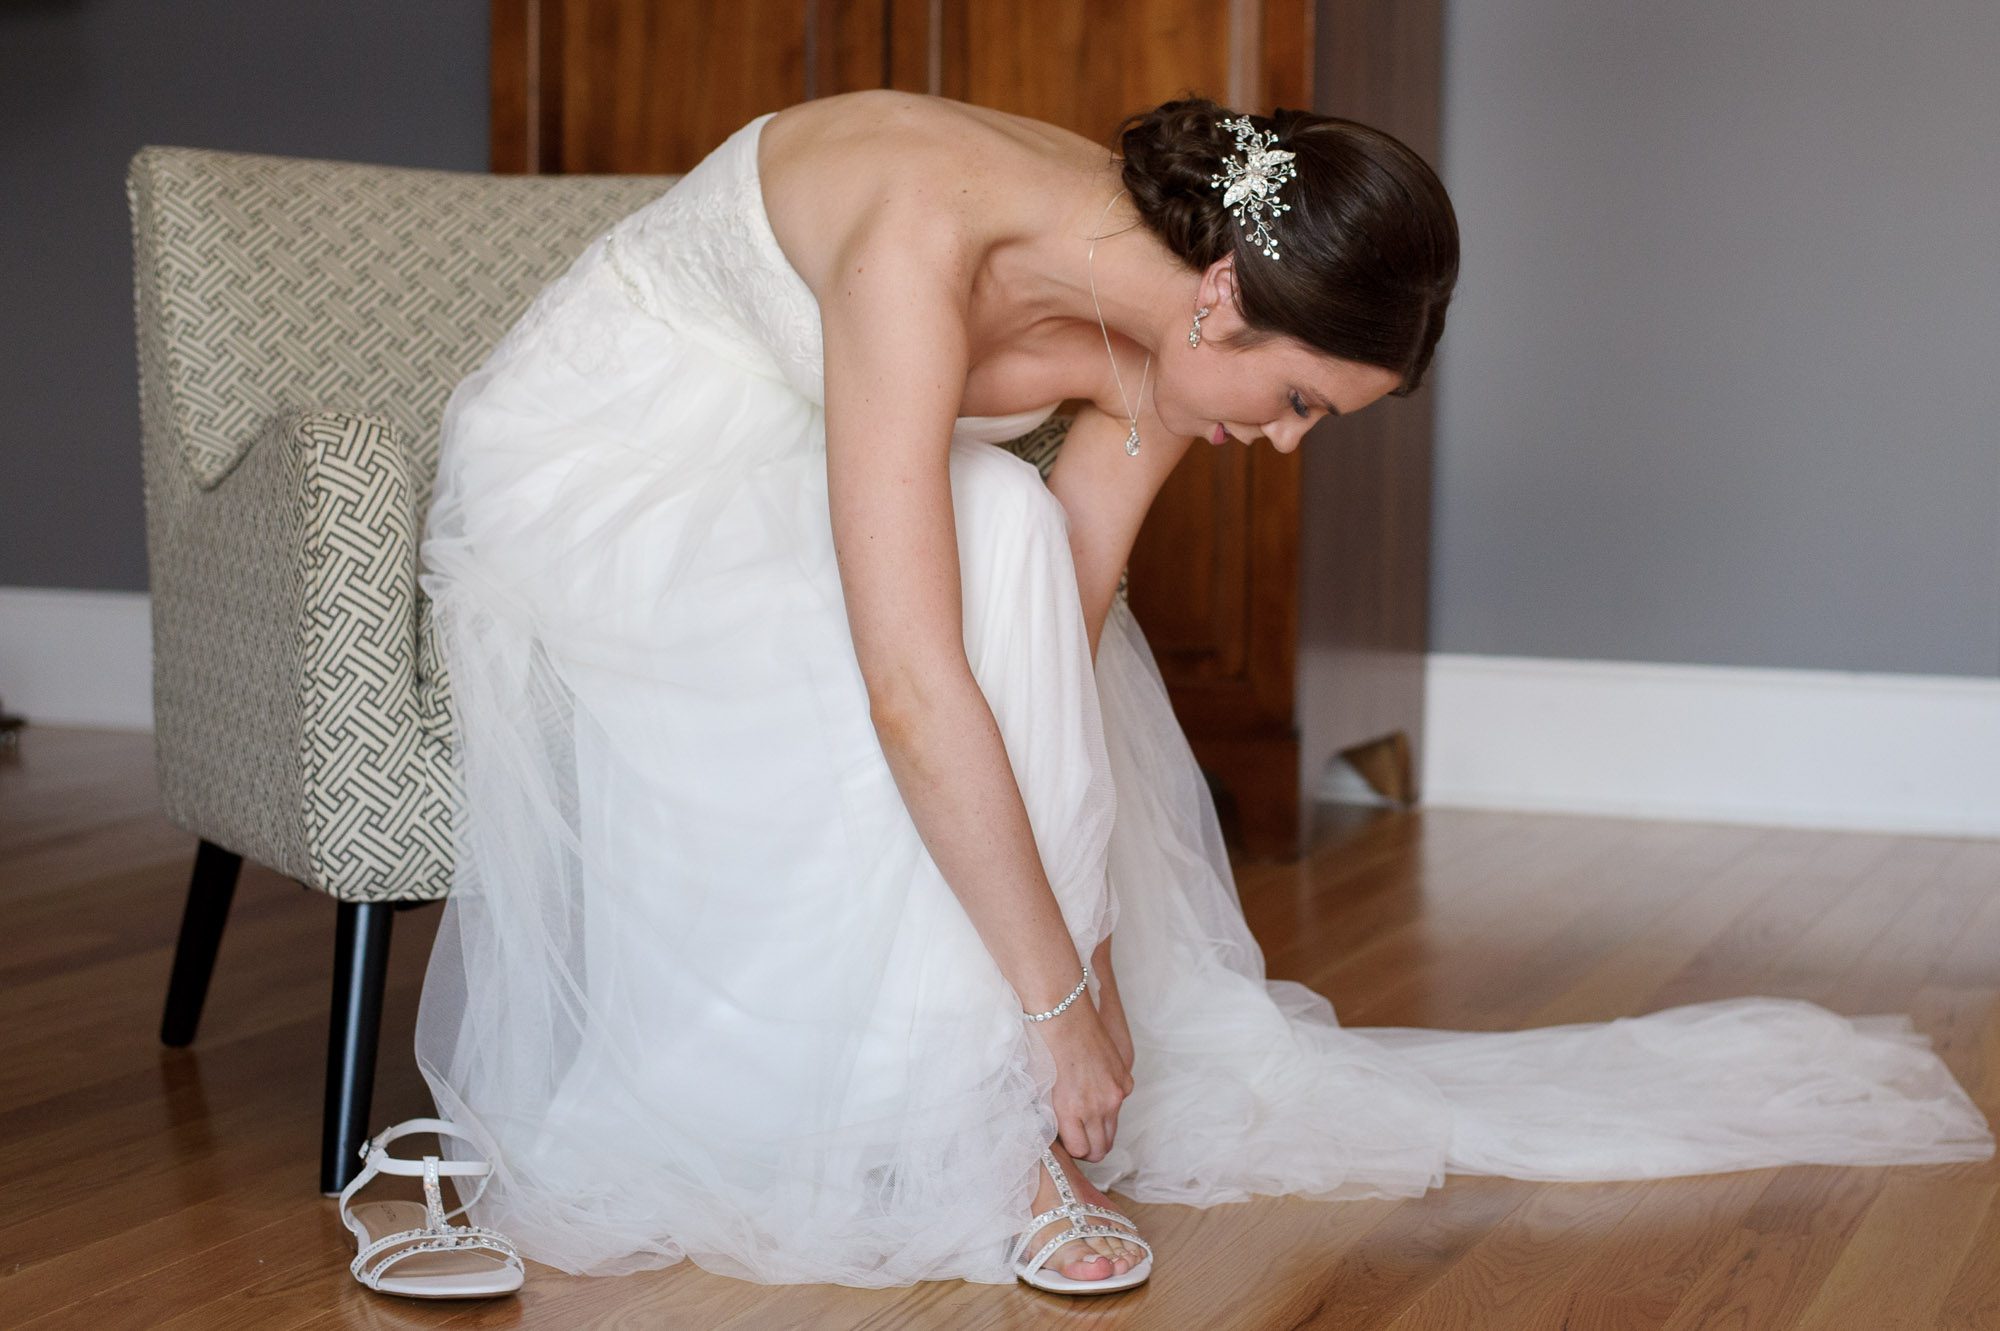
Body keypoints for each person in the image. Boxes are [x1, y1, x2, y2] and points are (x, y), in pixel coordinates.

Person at [411, 89, 1993, 1294]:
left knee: (1019, 555)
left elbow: (1059, 636)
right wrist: (1049, 998)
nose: (1288, 444)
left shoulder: (1168, 325)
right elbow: (911, 679)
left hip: (792, 452)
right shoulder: (923, 243)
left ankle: (961, 1115)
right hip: (611, 459)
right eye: (1299, 401)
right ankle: (952, 1109)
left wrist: (1091, 958)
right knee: (986, 534)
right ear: (1227, 297)